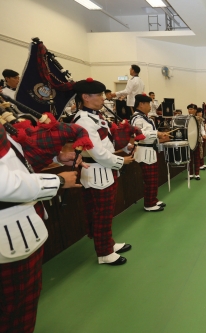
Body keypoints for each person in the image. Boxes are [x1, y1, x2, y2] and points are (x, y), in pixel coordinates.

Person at [0, 123, 81, 333]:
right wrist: (58, 181)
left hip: (22, 226)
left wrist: (56, 159)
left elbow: (17, 163)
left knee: (24, 304)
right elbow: (4, 183)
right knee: (15, 310)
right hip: (8, 233)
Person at [73, 78, 134, 265]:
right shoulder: (83, 120)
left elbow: (106, 144)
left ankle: (108, 243)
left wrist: (124, 146)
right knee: (101, 214)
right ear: (85, 97)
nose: (102, 98)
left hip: (105, 171)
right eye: (98, 95)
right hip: (96, 172)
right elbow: (96, 152)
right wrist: (120, 161)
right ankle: (104, 253)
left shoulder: (94, 116)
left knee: (107, 213)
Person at [131, 94, 168, 212]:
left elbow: (149, 133)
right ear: (141, 104)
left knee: (153, 179)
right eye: (148, 104)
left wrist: (159, 135)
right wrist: (157, 134)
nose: (150, 107)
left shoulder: (145, 118)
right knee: (149, 180)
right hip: (144, 151)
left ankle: (153, 199)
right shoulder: (137, 119)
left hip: (150, 150)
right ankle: (149, 203)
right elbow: (140, 135)